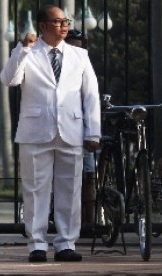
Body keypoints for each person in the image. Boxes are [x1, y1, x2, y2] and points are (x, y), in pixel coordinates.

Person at [0, 5, 101, 263]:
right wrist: (22, 49)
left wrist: (94, 133)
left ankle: (66, 242)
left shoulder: (80, 55)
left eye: (65, 21)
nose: (64, 26)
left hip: (71, 129)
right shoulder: (28, 52)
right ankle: (37, 244)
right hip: (36, 131)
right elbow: (9, 79)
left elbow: (90, 97)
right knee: (35, 189)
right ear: (43, 26)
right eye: (57, 22)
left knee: (70, 188)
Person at [64, 29, 96, 224]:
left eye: (79, 46)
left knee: (88, 176)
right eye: (72, 46)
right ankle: (68, 219)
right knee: (64, 178)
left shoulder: (86, 66)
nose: (76, 49)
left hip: (83, 129)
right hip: (62, 129)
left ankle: (89, 221)